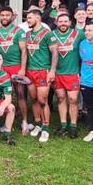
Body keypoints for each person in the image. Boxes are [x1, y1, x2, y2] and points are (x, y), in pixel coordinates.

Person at [0, 6, 30, 133]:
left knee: (20, 94)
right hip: (1, 68)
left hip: (16, 67)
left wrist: (22, 69)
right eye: (3, 15)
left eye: (7, 15)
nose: (5, 17)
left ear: (12, 16)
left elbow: (24, 50)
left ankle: (24, 121)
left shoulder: (19, 31)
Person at [24, 10, 58, 142]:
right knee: (33, 99)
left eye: (30, 18)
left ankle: (46, 128)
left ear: (38, 18)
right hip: (30, 71)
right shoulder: (27, 34)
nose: (28, 20)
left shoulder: (48, 34)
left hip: (43, 71)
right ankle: (38, 124)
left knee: (43, 100)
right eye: (27, 18)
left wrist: (52, 71)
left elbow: (55, 52)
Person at [49, 14, 84, 137]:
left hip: (72, 73)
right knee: (61, 98)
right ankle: (63, 125)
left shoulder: (78, 34)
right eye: (60, 21)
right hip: (58, 73)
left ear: (70, 22)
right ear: (56, 23)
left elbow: (91, 40)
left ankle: (73, 126)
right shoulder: (51, 35)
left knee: (73, 99)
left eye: (65, 21)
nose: (63, 23)